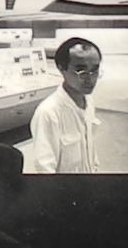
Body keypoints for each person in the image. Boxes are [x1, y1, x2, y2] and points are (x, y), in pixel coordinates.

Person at [23, 37, 102, 175]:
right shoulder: (48, 112)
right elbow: (45, 170)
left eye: (94, 71)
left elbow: (90, 150)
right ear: (61, 68)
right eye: (81, 71)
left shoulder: (88, 101)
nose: (90, 79)